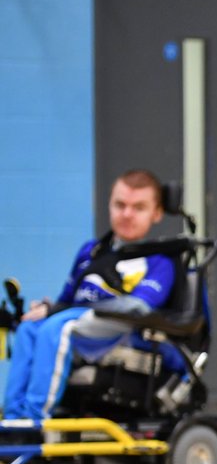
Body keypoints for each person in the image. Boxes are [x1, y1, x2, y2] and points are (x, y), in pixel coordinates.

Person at [2, 169, 175, 420]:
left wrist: (62, 314)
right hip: (79, 324)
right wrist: (48, 309)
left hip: (121, 331)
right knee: (30, 328)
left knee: (57, 328)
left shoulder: (160, 261)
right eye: (120, 205)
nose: (127, 214)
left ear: (156, 213)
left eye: (138, 207)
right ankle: (12, 419)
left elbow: (138, 307)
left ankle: (34, 421)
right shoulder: (91, 251)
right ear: (110, 205)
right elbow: (65, 301)